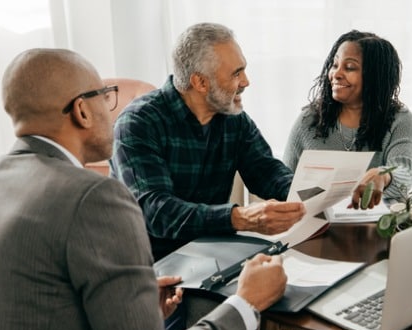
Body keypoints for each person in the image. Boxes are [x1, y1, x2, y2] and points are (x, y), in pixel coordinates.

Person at [0, 48, 287, 330]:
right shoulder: (95, 197)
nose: (113, 108)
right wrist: (245, 303)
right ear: (82, 110)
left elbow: (33, 306)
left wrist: (134, 305)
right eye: (106, 96)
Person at [283, 31, 412, 330]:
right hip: (328, 241)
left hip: (384, 239)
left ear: (374, 77)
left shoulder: (398, 119)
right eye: (334, 64)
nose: (336, 73)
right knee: (357, 314)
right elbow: (284, 178)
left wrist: (386, 173)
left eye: (350, 67)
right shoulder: (309, 121)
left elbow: (405, 172)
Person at [110, 22, 306, 261]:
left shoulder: (235, 119)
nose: (246, 81)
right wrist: (239, 218)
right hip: (148, 264)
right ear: (200, 82)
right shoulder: (138, 123)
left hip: (208, 255)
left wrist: (310, 193)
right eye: (236, 73)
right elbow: (157, 212)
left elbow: (267, 171)